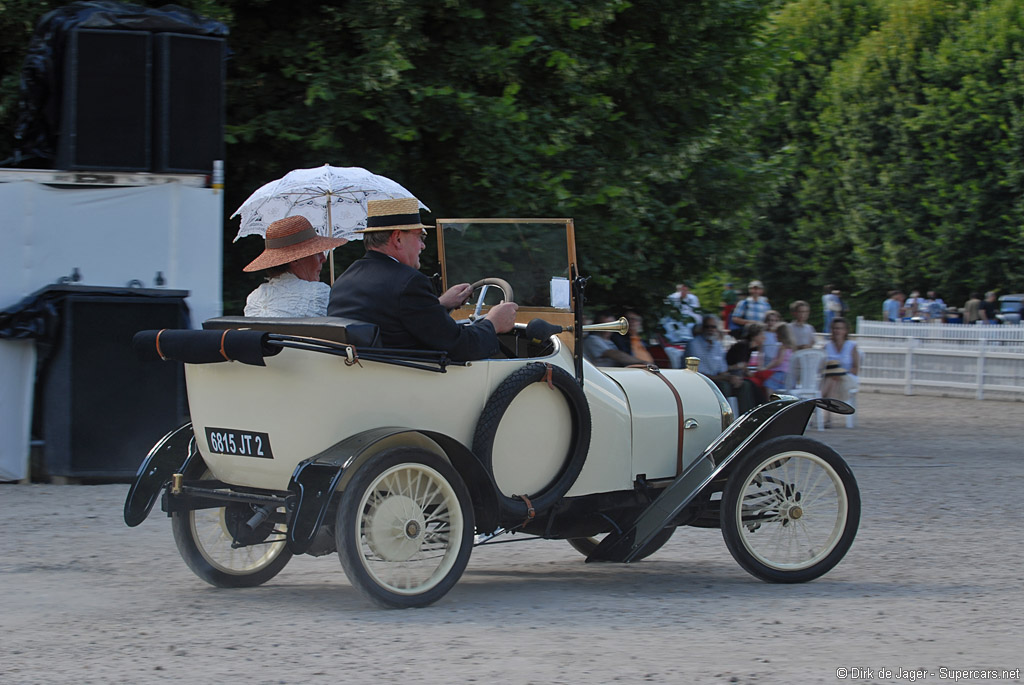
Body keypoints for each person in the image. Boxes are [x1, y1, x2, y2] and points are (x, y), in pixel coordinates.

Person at [327, 197, 518, 360]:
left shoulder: (345, 281)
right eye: (420, 236)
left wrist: (440, 304)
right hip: (410, 386)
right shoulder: (409, 282)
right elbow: (460, 346)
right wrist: (493, 323)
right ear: (398, 238)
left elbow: (395, 321)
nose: (422, 246)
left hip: (367, 380)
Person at [243, 215, 349, 317]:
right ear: (296, 260)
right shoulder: (318, 293)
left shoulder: (254, 298)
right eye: (317, 253)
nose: (324, 258)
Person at [685, 315, 759, 414]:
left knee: (744, 385)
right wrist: (725, 378)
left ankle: (747, 418)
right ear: (702, 328)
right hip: (700, 381)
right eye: (707, 327)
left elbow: (723, 370)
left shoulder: (717, 345)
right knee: (724, 386)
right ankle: (723, 418)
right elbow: (698, 373)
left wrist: (732, 377)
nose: (710, 330)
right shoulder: (694, 344)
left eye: (713, 327)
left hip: (716, 379)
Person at [820, 317, 859, 427]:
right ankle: (828, 419)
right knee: (832, 379)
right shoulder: (826, 346)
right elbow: (820, 366)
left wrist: (841, 372)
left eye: (840, 328)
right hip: (829, 378)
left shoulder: (852, 346)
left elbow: (855, 369)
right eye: (835, 328)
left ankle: (816, 402)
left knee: (833, 378)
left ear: (845, 330)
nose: (837, 331)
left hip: (848, 377)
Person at [583, 312, 649, 367]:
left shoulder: (612, 341)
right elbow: (614, 354)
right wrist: (643, 362)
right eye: (605, 324)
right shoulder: (592, 339)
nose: (609, 327)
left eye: (612, 324)